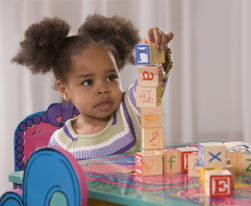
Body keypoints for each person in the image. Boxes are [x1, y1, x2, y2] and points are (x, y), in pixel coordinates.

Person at [12, 14, 174, 161]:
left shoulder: (129, 110)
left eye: (111, 77)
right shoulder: (60, 142)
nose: (103, 88)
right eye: (88, 82)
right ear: (64, 90)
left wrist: (154, 52)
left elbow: (150, 82)